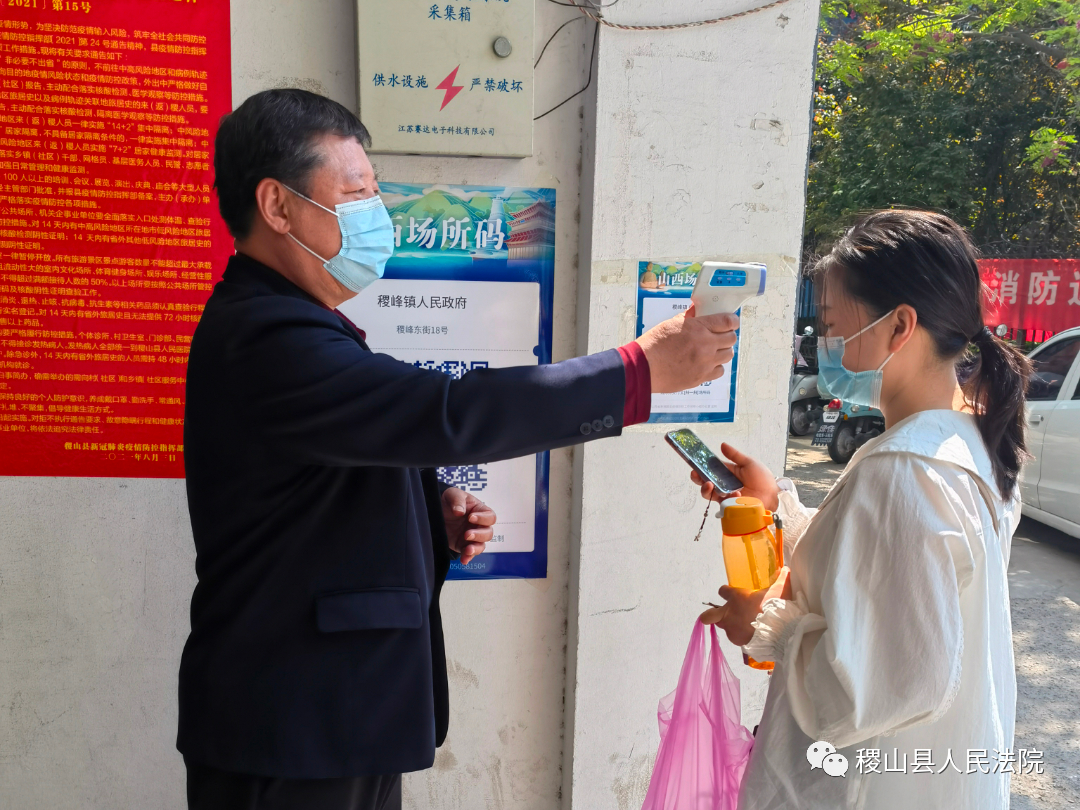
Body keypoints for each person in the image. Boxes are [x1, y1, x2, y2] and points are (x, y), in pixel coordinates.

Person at [179, 88, 740, 810]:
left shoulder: (297, 326)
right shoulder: (266, 338)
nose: (374, 216)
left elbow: (329, 478)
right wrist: (636, 370)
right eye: (354, 194)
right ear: (277, 206)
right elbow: (446, 412)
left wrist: (421, 516)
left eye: (376, 193)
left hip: (331, 717)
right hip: (293, 724)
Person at [695, 210, 1030, 809]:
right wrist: (778, 509)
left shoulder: (904, 471)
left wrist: (762, 625)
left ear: (899, 325)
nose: (820, 343)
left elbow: (868, 691)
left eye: (828, 325)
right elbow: (871, 576)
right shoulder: (963, 446)